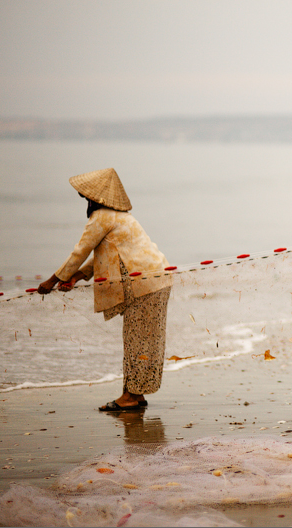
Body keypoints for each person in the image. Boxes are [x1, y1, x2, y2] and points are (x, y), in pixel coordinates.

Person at [38, 168, 172, 412]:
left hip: (144, 284)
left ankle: (131, 397)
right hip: (154, 281)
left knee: (139, 340)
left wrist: (52, 280)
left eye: (86, 197)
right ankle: (134, 394)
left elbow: (81, 250)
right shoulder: (120, 216)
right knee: (142, 339)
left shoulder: (102, 216)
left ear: (95, 199)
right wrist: (77, 277)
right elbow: (103, 254)